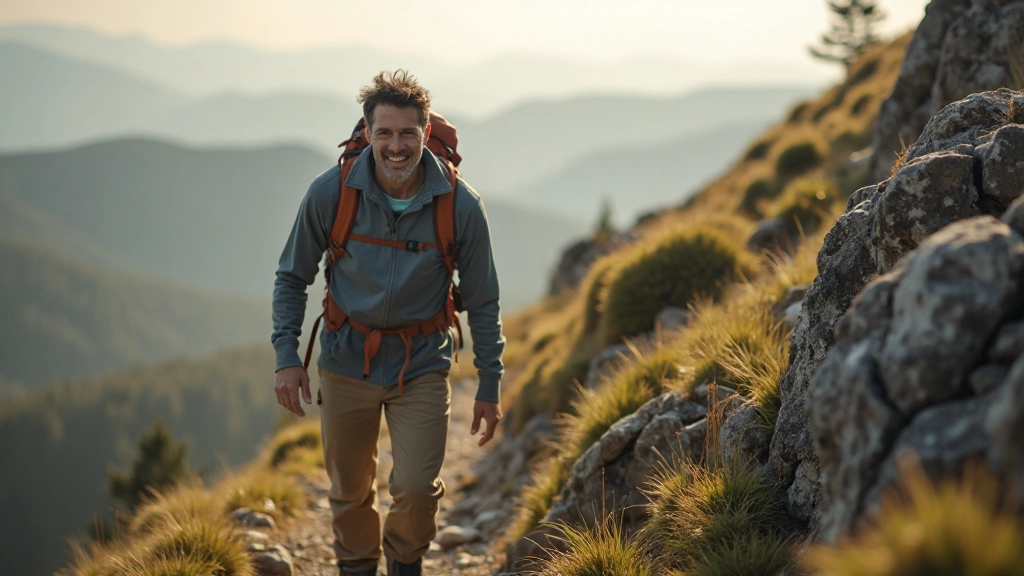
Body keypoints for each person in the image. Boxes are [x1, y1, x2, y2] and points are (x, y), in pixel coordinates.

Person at [271, 70, 505, 576]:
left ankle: (404, 564)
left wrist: (490, 381)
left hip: (421, 363)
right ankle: (356, 567)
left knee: (417, 488)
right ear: (367, 132)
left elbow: (483, 300)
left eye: (407, 135)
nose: (395, 147)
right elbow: (293, 277)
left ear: (425, 134)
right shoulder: (332, 192)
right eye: (384, 133)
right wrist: (287, 357)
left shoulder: (460, 205)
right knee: (350, 488)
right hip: (343, 358)